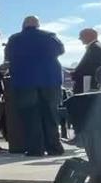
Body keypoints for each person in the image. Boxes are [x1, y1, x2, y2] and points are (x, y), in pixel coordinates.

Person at [5, 16, 66, 157]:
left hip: (24, 81)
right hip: (49, 80)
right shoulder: (50, 36)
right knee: (51, 114)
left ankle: (35, 149)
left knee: (30, 115)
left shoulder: (14, 39)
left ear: (23, 25)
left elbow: (8, 56)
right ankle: (54, 147)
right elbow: (61, 51)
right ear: (38, 25)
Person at [72, 28, 101, 94]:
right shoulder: (100, 47)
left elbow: (92, 68)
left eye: (81, 36)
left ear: (89, 36)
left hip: (91, 85)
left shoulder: (95, 48)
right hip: (97, 84)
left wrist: (75, 73)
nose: (79, 38)